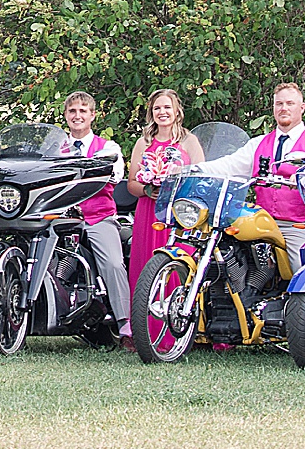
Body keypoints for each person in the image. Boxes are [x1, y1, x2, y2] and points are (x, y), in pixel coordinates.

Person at [203, 81, 305, 258]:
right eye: (279, 104)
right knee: (229, 254)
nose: (284, 108)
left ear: (302, 107)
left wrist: (302, 178)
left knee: (301, 270)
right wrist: (194, 168)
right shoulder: (258, 143)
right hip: (260, 220)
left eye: (290, 103)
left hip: (295, 224)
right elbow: (230, 165)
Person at [60, 89, 131, 340]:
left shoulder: (108, 147)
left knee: (113, 262)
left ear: (92, 115)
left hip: (98, 215)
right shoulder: (57, 148)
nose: (77, 116)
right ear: (66, 115)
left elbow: (114, 172)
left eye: (82, 111)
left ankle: (126, 324)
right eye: (72, 111)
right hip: (60, 218)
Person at [127, 89, 200, 312]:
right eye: (157, 108)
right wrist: (148, 189)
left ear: (177, 111)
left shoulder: (189, 141)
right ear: (151, 112)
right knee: (146, 264)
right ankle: (143, 325)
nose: (162, 112)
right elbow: (131, 183)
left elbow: (200, 177)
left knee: (179, 263)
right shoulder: (143, 143)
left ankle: (180, 320)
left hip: (179, 213)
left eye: (167, 107)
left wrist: (176, 189)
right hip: (149, 212)